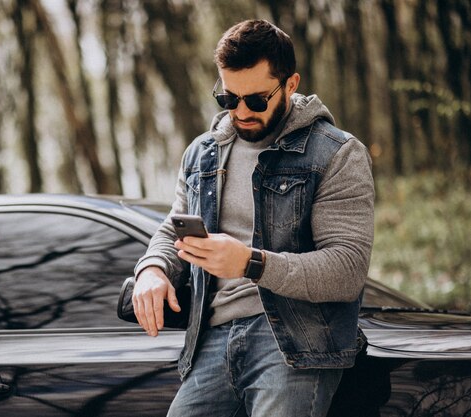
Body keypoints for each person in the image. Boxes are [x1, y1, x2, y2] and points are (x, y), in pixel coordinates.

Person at [132, 19, 374, 417]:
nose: (240, 112)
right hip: (209, 343)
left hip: (294, 346)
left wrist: (250, 262)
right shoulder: (202, 153)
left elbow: (347, 270)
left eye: (257, 101)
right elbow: (173, 227)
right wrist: (154, 268)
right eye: (228, 99)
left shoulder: (336, 154)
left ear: (291, 85)